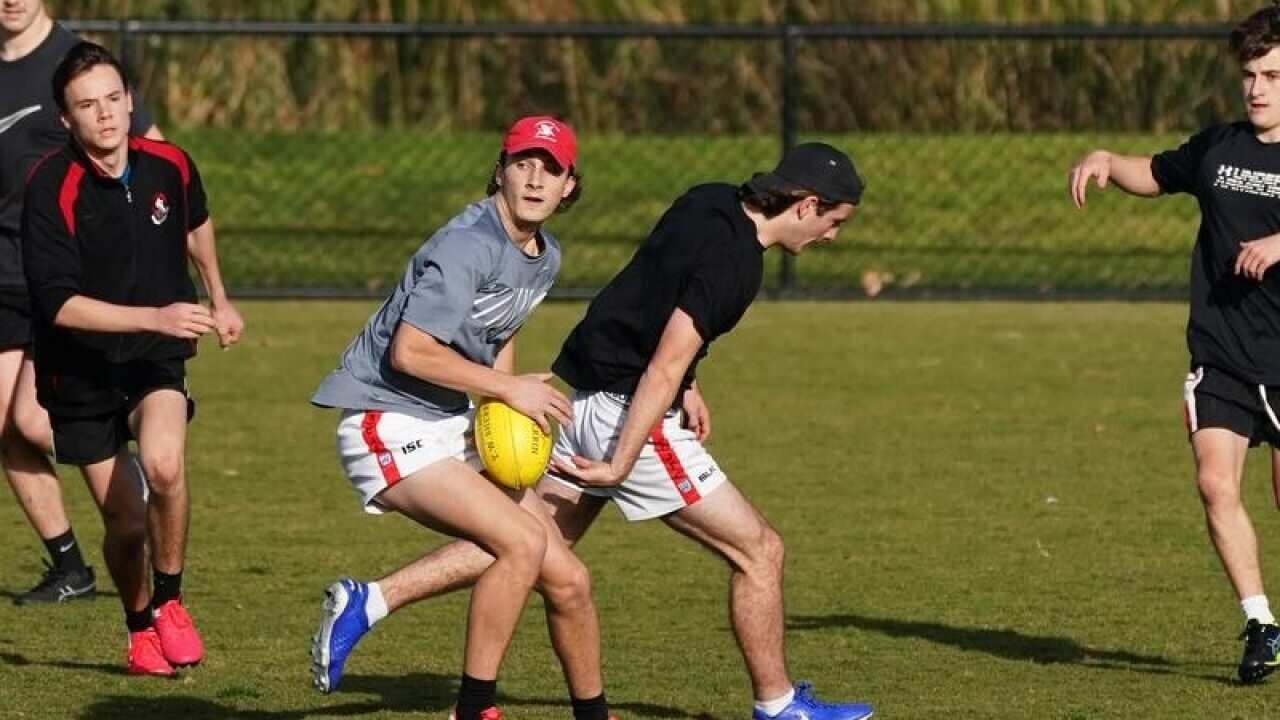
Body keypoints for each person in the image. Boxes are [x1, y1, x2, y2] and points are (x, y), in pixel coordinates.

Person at [315, 141, 876, 720]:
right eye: (835, 222)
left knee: (534, 550)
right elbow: (661, 364)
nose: (831, 236)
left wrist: (688, 381)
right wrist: (621, 460)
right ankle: (779, 704)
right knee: (759, 550)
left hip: (578, 392)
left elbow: (647, 295)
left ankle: (373, 600)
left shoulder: (708, 200)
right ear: (808, 205)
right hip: (629, 413)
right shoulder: (740, 265)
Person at [310, 116, 611, 720]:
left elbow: (499, 330)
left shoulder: (545, 255)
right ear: (499, 171)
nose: (534, 178)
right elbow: (410, 352)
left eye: (550, 169)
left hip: (446, 420)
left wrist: (501, 414)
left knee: (571, 580)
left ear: (569, 186)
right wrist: (506, 390)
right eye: (522, 163)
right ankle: (474, 710)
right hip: (385, 417)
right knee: (522, 543)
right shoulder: (467, 244)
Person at [1069, 3, 1280, 685]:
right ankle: (1261, 624)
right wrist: (1108, 159)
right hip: (1221, 351)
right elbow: (1155, 173)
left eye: (1272, 75)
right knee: (1214, 482)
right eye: (1249, 75)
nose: (1256, 89)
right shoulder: (1218, 148)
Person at [21, 41, 243, 676]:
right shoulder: (51, 187)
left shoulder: (168, 163)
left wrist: (219, 297)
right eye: (87, 106)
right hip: (77, 372)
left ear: (130, 99)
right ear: (66, 119)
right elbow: (59, 305)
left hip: (153, 359)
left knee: (165, 465)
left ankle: (171, 603)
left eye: (114, 99)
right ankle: (139, 623)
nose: (106, 115)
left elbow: (196, 222)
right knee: (125, 525)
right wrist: (159, 314)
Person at [1, 0, 163, 606]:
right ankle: (70, 565)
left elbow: (160, 161)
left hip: (65, 276)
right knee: (8, 431)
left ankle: (132, 459)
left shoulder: (77, 64)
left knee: (33, 420)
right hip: (3, 274)